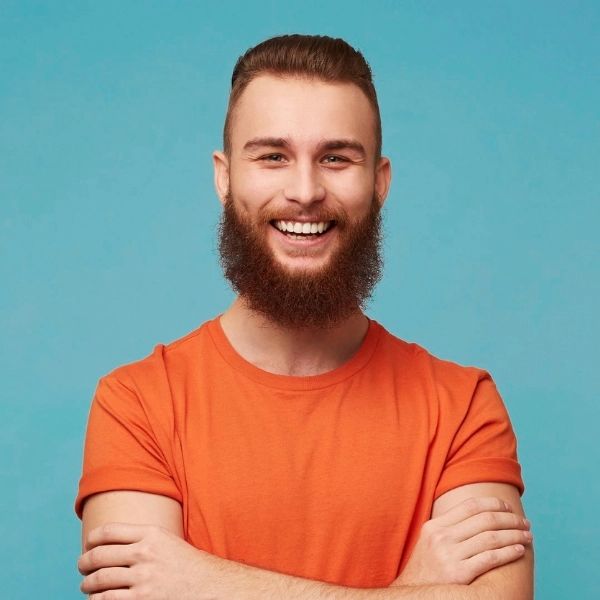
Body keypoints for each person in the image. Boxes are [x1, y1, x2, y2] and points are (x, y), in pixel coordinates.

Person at [75, 34, 534, 599]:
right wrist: (413, 591)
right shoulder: (137, 404)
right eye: (273, 156)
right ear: (224, 177)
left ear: (379, 183)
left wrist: (206, 581)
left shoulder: (461, 408)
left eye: (336, 158)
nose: (305, 191)